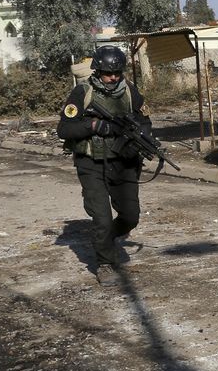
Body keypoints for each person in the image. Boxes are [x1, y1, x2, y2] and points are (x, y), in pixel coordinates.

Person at [57, 45, 152, 287]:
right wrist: (92, 127)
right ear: (98, 71)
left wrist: (140, 140)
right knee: (102, 218)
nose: (113, 78)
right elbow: (64, 129)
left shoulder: (129, 91)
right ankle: (105, 262)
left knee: (131, 216)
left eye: (117, 73)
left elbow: (144, 121)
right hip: (91, 163)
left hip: (124, 162)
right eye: (109, 74)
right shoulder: (82, 93)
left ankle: (106, 240)